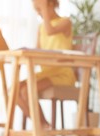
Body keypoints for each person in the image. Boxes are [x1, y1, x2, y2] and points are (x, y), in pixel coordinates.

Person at [17, 0, 76, 128]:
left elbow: (50, 31)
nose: (39, 12)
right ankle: (42, 126)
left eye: (41, 8)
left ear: (50, 4)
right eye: (37, 9)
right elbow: (37, 52)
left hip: (62, 74)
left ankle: (43, 126)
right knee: (14, 90)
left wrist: (43, 6)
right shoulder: (41, 27)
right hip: (46, 73)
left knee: (27, 90)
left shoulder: (65, 22)